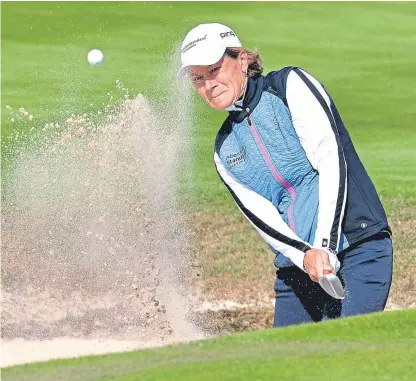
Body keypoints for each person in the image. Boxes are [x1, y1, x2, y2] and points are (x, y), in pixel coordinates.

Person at [177, 23, 393, 327]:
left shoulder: (289, 86)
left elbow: (332, 162)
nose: (207, 85)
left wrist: (326, 247)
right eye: (197, 78)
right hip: (298, 270)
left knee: (346, 356)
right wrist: (305, 255)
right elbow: (264, 219)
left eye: (214, 70)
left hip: (358, 245)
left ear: (241, 60)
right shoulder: (224, 150)